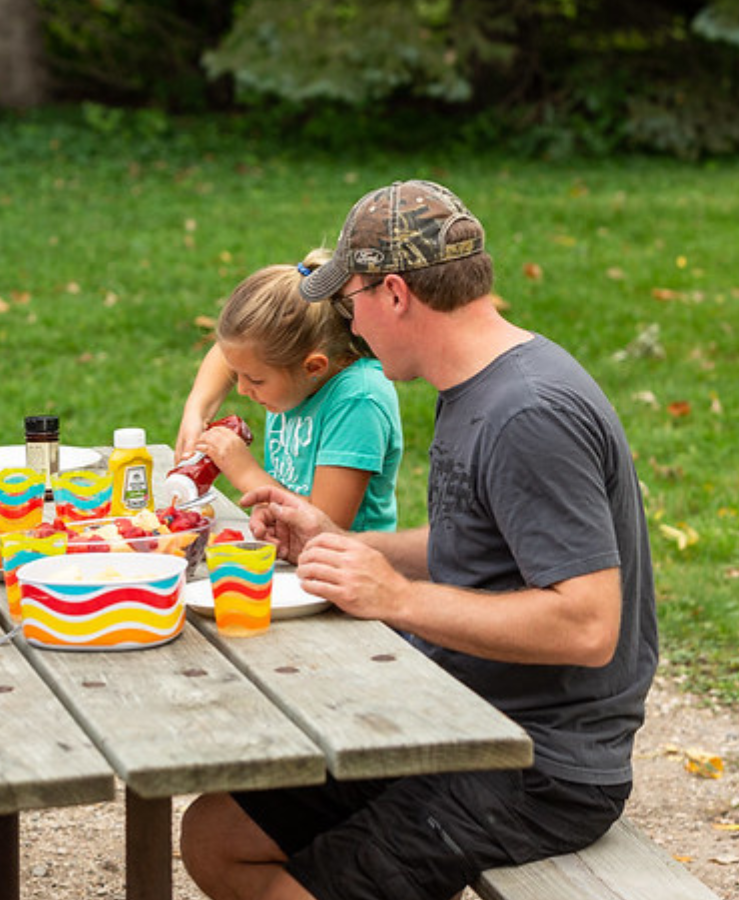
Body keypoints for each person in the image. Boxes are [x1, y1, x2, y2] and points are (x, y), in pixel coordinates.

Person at [178, 180, 659, 900]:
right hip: (459, 713)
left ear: (396, 293)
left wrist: (396, 599)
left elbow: (588, 625)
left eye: (355, 300)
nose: (351, 324)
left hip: (538, 763)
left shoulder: (527, 413)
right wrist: (338, 539)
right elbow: (479, 545)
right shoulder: (476, 382)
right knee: (217, 836)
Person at [174, 250, 404, 531]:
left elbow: (326, 524)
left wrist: (245, 472)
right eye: (239, 374)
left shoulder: (359, 401)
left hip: (343, 566)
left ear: (313, 367)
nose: (243, 389)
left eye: (255, 380)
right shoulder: (297, 373)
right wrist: (196, 411)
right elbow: (227, 353)